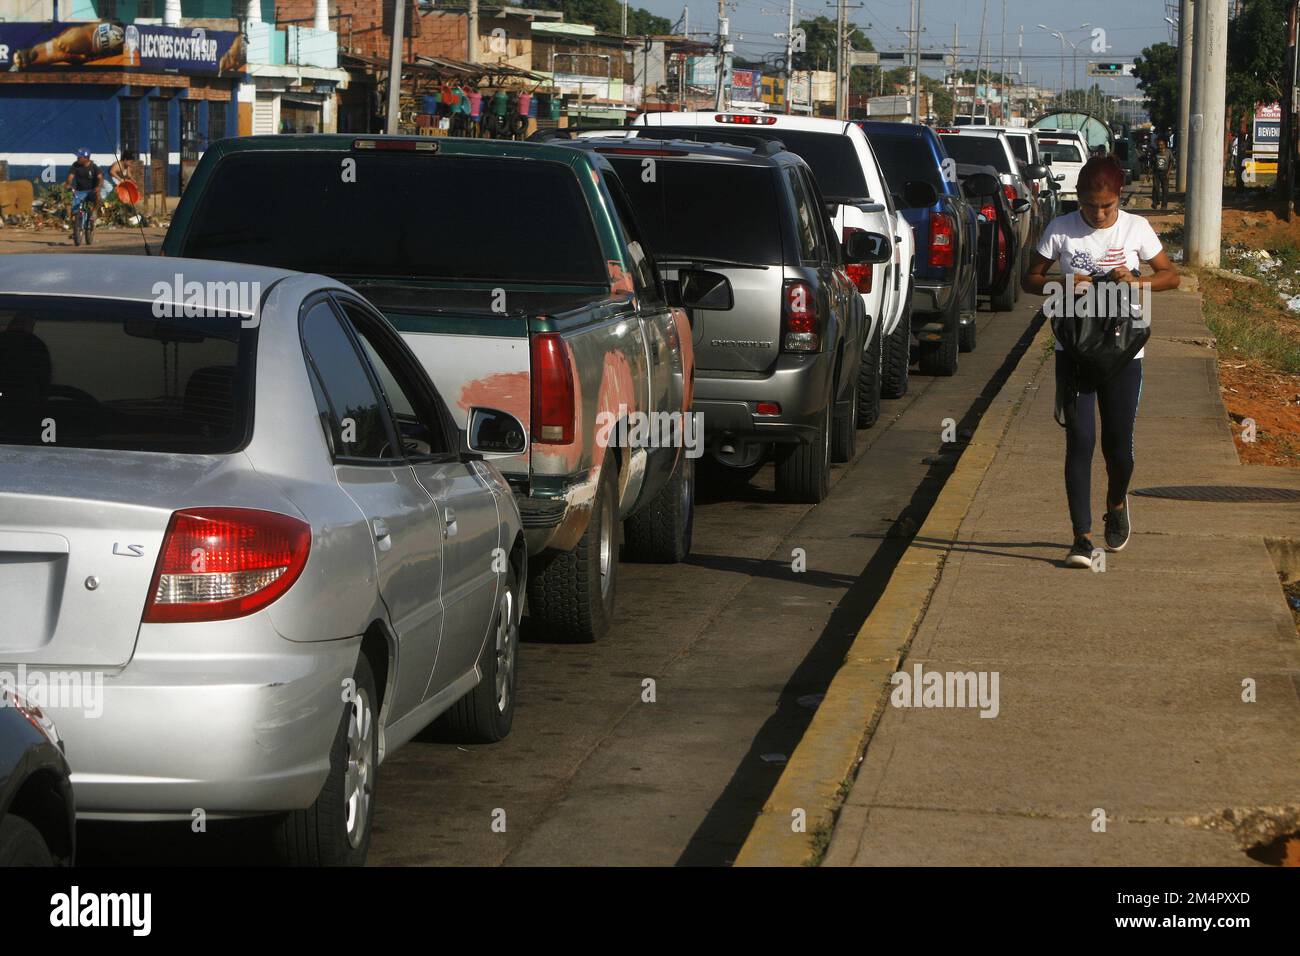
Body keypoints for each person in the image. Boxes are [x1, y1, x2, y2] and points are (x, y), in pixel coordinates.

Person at [1021, 156, 1181, 568]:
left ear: (1119, 198)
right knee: (1081, 439)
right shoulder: (1061, 230)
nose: (1098, 213)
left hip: (1125, 351)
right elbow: (1029, 279)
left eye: (1107, 205)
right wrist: (1062, 281)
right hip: (1074, 350)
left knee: (1118, 446)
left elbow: (1170, 275)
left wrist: (1137, 280)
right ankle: (1081, 537)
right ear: (1080, 200)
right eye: (1091, 205)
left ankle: (1116, 502)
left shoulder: (1136, 228)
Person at [65, 148, 103, 241]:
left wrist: (98, 187)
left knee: (98, 197)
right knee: (72, 208)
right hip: (79, 192)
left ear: (86, 158)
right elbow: (70, 176)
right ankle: (75, 228)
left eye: (79, 157)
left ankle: (94, 212)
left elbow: (100, 178)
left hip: (91, 191)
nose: (77, 158)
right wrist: (68, 184)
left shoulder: (94, 166)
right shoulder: (75, 165)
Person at [1151, 138, 1172, 210]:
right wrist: (1149, 174)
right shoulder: (1155, 152)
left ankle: (1164, 205)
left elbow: (1171, 162)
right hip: (1156, 172)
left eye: (1161, 145)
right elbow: (1152, 163)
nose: (1159, 146)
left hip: (1165, 172)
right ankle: (1155, 202)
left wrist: (1168, 173)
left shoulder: (1168, 152)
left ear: (1164, 145)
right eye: (1158, 145)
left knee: (1165, 190)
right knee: (1155, 187)